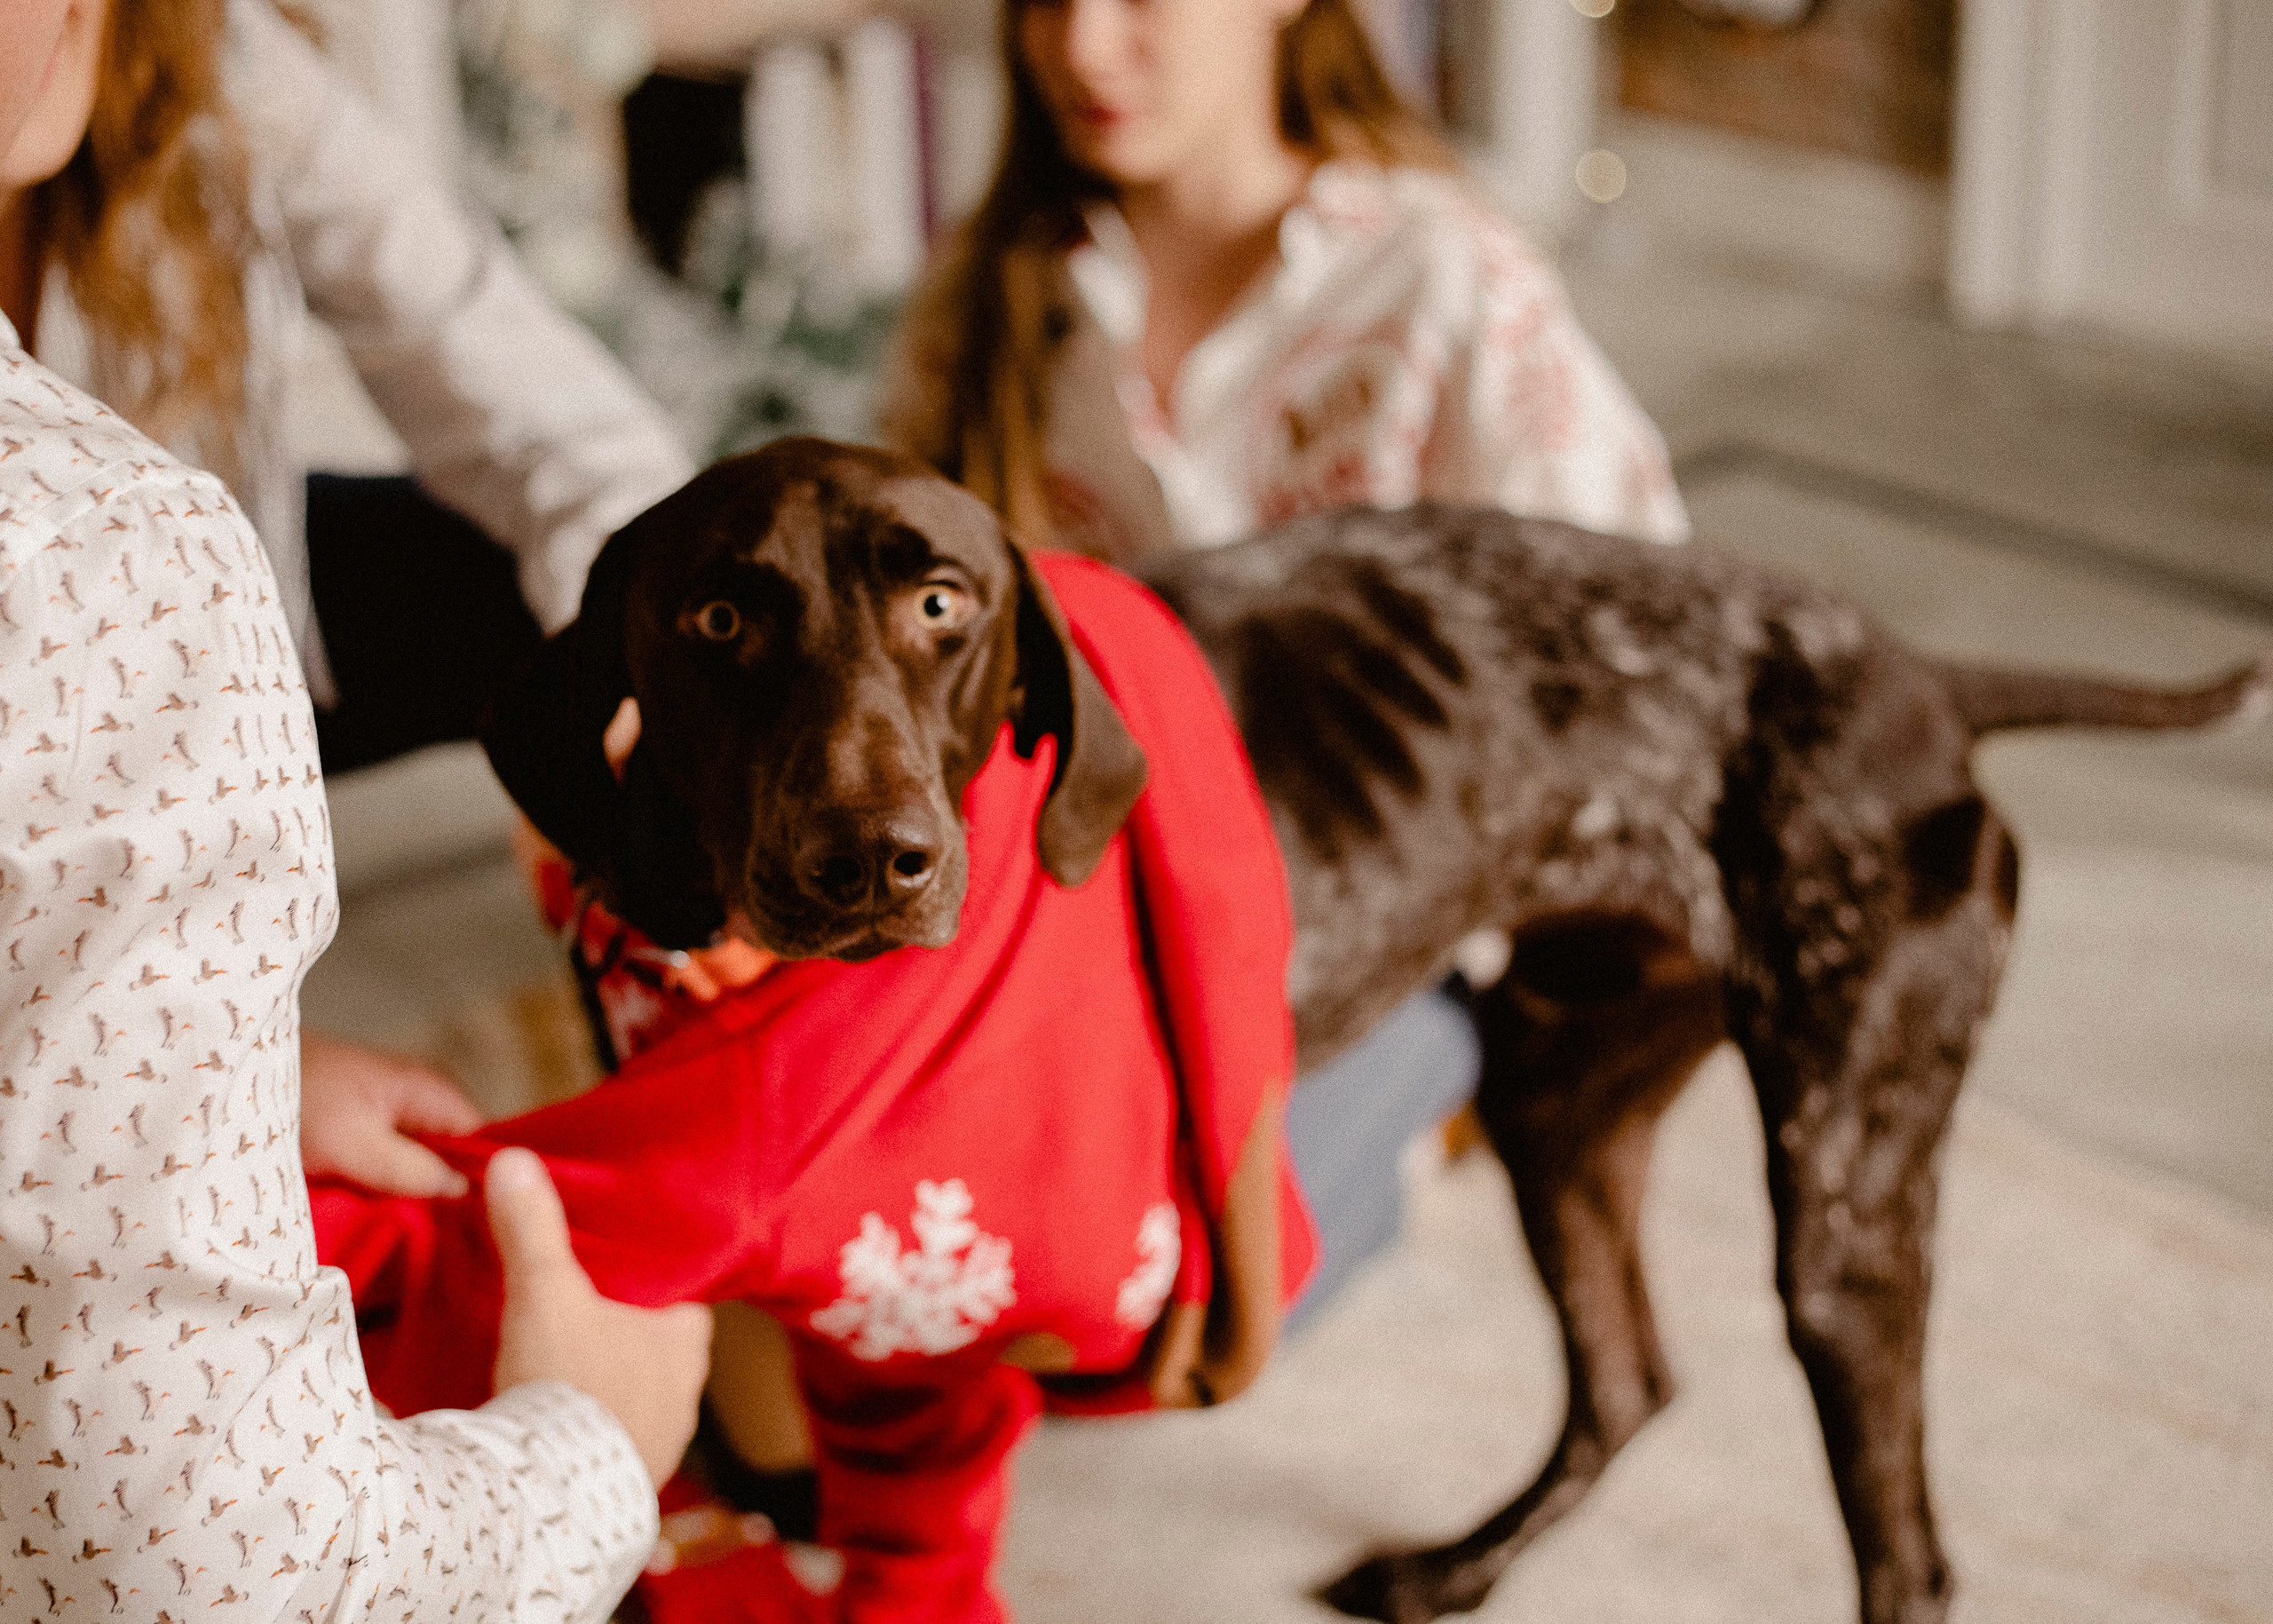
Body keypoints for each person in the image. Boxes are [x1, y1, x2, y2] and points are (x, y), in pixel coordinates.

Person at [0, 7, 712, 1617]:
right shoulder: (102, 557)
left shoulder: (230, 71)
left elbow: (527, 395)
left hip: (161, 694)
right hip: (128, 652)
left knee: (553, 569)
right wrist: (588, 1448)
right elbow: (210, 1574)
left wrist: (664, 697)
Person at [878, 0, 1689, 1311]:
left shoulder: (1444, 276)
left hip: (1382, 933)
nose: (1080, 47)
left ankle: (1430, 1095)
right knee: (900, 1237)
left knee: (1153, 1291)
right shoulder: (995, 285)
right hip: (1079, 896)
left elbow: (1630, 645)